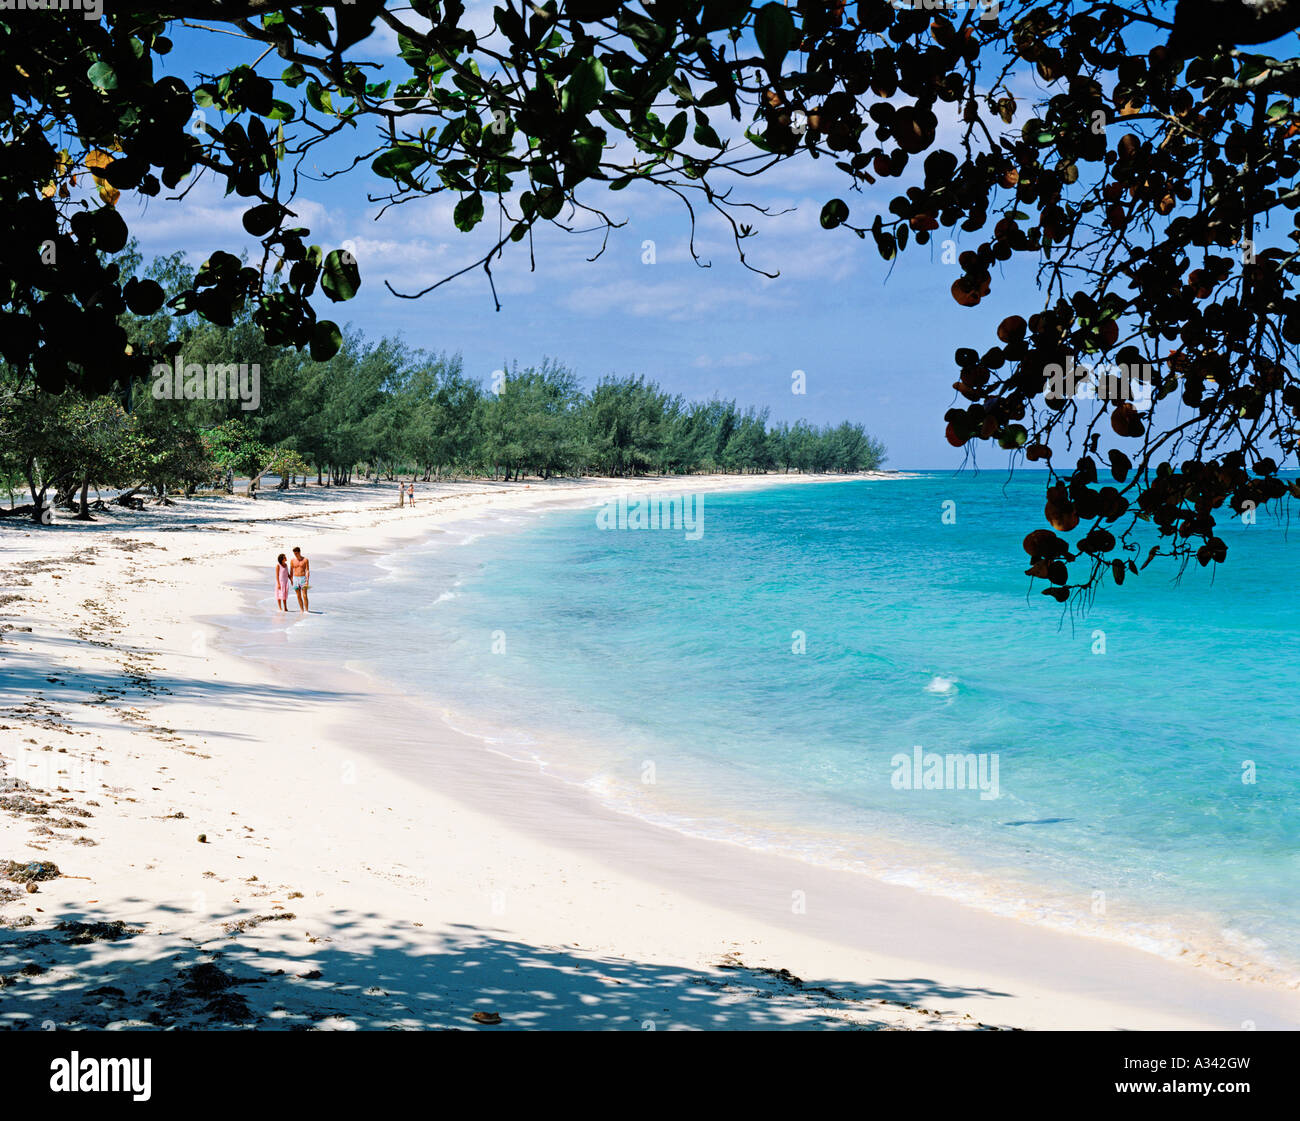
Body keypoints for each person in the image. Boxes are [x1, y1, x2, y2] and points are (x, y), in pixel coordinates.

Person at [289, 546, 310, 612]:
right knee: (298, 595)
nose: (295, 555)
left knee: (304, 595)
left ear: (299, 552)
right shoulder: (292, 560)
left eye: (296, 553)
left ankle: (306, 610)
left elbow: (307, 570)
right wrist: (291, 579)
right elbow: (291, 570)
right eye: (294, 553)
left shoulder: (305, 560)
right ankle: (301, 610)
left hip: (303, 578)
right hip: (295, 579)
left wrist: (307, 580)